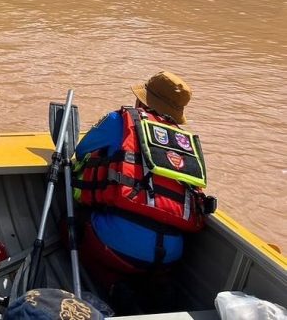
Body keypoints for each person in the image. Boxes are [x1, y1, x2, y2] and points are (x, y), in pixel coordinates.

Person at [72, 71, 216, 313]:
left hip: (118, 248)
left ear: (142, 101)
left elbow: (82, 149)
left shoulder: (121, 120)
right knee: (153, 258)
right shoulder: (186, 144)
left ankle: (115, 286)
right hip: (171, 255)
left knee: (71, 229)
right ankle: (161, 285)